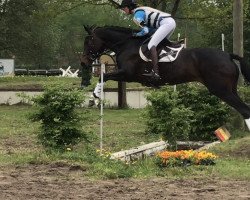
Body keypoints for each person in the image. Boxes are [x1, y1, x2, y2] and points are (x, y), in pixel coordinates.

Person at [119, 0, 176, 80]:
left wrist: (136, 35)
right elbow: (149, 30)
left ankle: (155, 72)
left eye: (124, 8)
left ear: (129, 7)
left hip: (166, 23)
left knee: (151, 45)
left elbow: (145, 31)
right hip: (170, 22)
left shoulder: (136, 16)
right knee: (160, 45)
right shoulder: (140, 11)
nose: (123, 10)